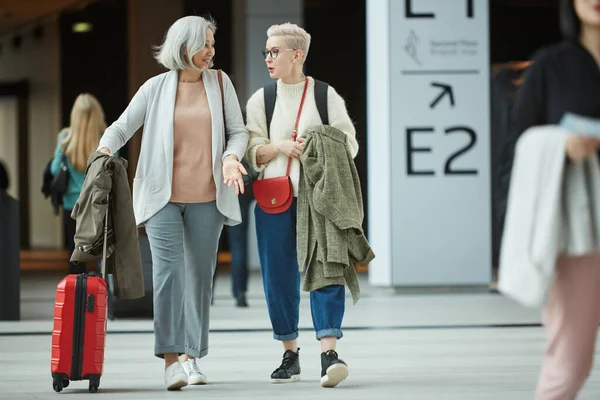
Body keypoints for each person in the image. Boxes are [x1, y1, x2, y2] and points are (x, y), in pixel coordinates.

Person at [97, 15, 249, 390]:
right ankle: (170, 361)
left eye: (213, 45)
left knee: (199, 278)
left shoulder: (220, 82)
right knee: (168, 276)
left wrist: (231, 157)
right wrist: (102, 151)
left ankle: (192, 356)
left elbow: (238, 131)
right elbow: (122, 126)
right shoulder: (156, 87)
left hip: (208, 199)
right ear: (183, 47)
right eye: (204, 45)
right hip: (163, 198)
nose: (210, 52)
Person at [245, 23, 360, 388]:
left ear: (298, 55)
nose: (268, 58)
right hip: (275, 199)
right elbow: (252, 153)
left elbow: (350, 145)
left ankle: (329, 352)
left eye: (274, 51)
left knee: (328, 267)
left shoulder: (325, 96)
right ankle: (289, 353)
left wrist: (319, 143)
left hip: (319, 200)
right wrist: (279, 146)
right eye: (266, 52)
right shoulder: (261, 100)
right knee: (278, 277)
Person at [500, 1, 600, 398]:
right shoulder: (552, 64)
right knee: (569, 363)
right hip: (578, 233)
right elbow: (517, 143)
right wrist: (561, 145)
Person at [50, 93, 107, 275]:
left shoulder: (65, 138)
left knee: (75, 255)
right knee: (104, 253)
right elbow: (114, 172)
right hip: (98, 205)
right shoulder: (106, 138)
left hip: (71, 205)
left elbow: (54, 170)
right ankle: (101, 296)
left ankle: (77, 296)